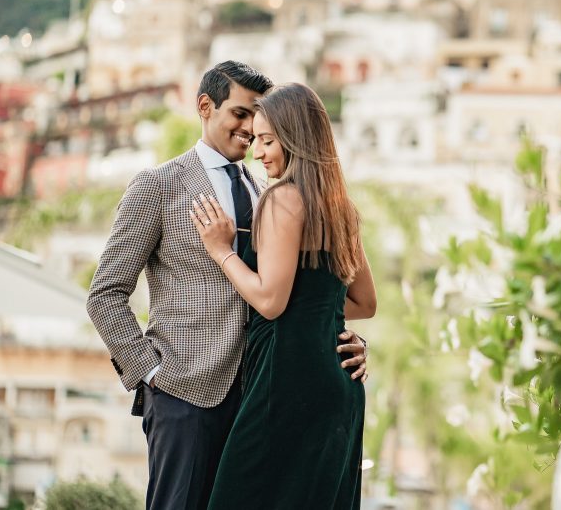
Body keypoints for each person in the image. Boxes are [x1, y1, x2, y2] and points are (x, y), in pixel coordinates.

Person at [86, 62, 369, 510]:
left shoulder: (273, 190)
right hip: (185, 395)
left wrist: (337, 337)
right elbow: (105, 294)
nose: (250, 128)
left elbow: (303, 292)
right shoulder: (158, 186)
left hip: (262, 395)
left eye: (258, 119)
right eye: (239, 114)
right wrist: (153, 375)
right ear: (205, 107)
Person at [190, 82, 377, 509]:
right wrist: (322, 323)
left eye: (268, 140)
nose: (258, 152)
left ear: (297, 138)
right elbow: (363, 303)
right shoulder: (340, 207)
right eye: (256, 139)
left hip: (285, 383)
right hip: (337, 388)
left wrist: (221, 251)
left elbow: (270, 301)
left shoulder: (281, 199)